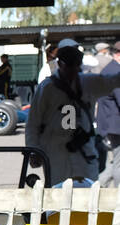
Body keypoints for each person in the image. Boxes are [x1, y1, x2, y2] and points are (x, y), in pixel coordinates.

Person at [27, 38, 120, 185]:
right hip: (56, 153)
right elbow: (33, 123)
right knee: (58, 199)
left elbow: (114, 80)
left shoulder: (88, 82)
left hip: (84, 154)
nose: (72, 71)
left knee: (87, 200)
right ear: (59, 64)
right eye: (68, 66)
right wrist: (34, 150)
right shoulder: (47, 88)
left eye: (75, 66)